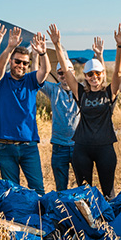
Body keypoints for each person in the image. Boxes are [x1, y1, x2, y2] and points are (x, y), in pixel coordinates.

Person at [48, 24, 121, 196]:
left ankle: (109, 222)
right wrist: (57, 45)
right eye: (90, 74)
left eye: (98, 74)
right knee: (84, 192)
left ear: (102, 74)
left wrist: (119, 46)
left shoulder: (109, 92)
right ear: (85, 76)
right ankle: (87, 222)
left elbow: (119, 73)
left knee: (109, 192)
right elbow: (66, 70)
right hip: (81, 148)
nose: (94, 77)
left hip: (105, 148)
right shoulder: (80, 93)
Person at [0, 24, 49, 190]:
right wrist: (9, 46)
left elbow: (45, 70)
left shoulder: (31, 80)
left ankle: (38, 216)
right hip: (4, 144)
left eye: (25, 63)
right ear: (11, 61)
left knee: (38, 188)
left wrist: (42, 53)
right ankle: (15, 216)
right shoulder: (1, 80)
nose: (21, 66)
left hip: (28, 146)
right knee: (12, 190)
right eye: (17, 62)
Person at [39, 55, 80, 192]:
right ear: (57, 74)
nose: (63, 76)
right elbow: (37, 79)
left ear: (73, 73)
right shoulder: (53, 90)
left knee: (83, 185)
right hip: (59, 146)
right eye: (60, 73)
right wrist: (37, 55)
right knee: (61, 188)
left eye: (67, 72)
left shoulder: (81, 90)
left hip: (79, 146)